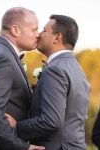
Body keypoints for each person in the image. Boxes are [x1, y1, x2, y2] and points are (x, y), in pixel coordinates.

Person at [6, 14, 91, 150]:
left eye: (44, 30)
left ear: (57, 37)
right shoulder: (76, 69)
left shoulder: (55, 69)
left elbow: (52, 121)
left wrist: (17, 126)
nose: (39, 34)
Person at [0, 7, 44, 150]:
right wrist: (21, 146)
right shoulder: (2, 57)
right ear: (15, 30)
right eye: (34, 30)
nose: (38, 35)